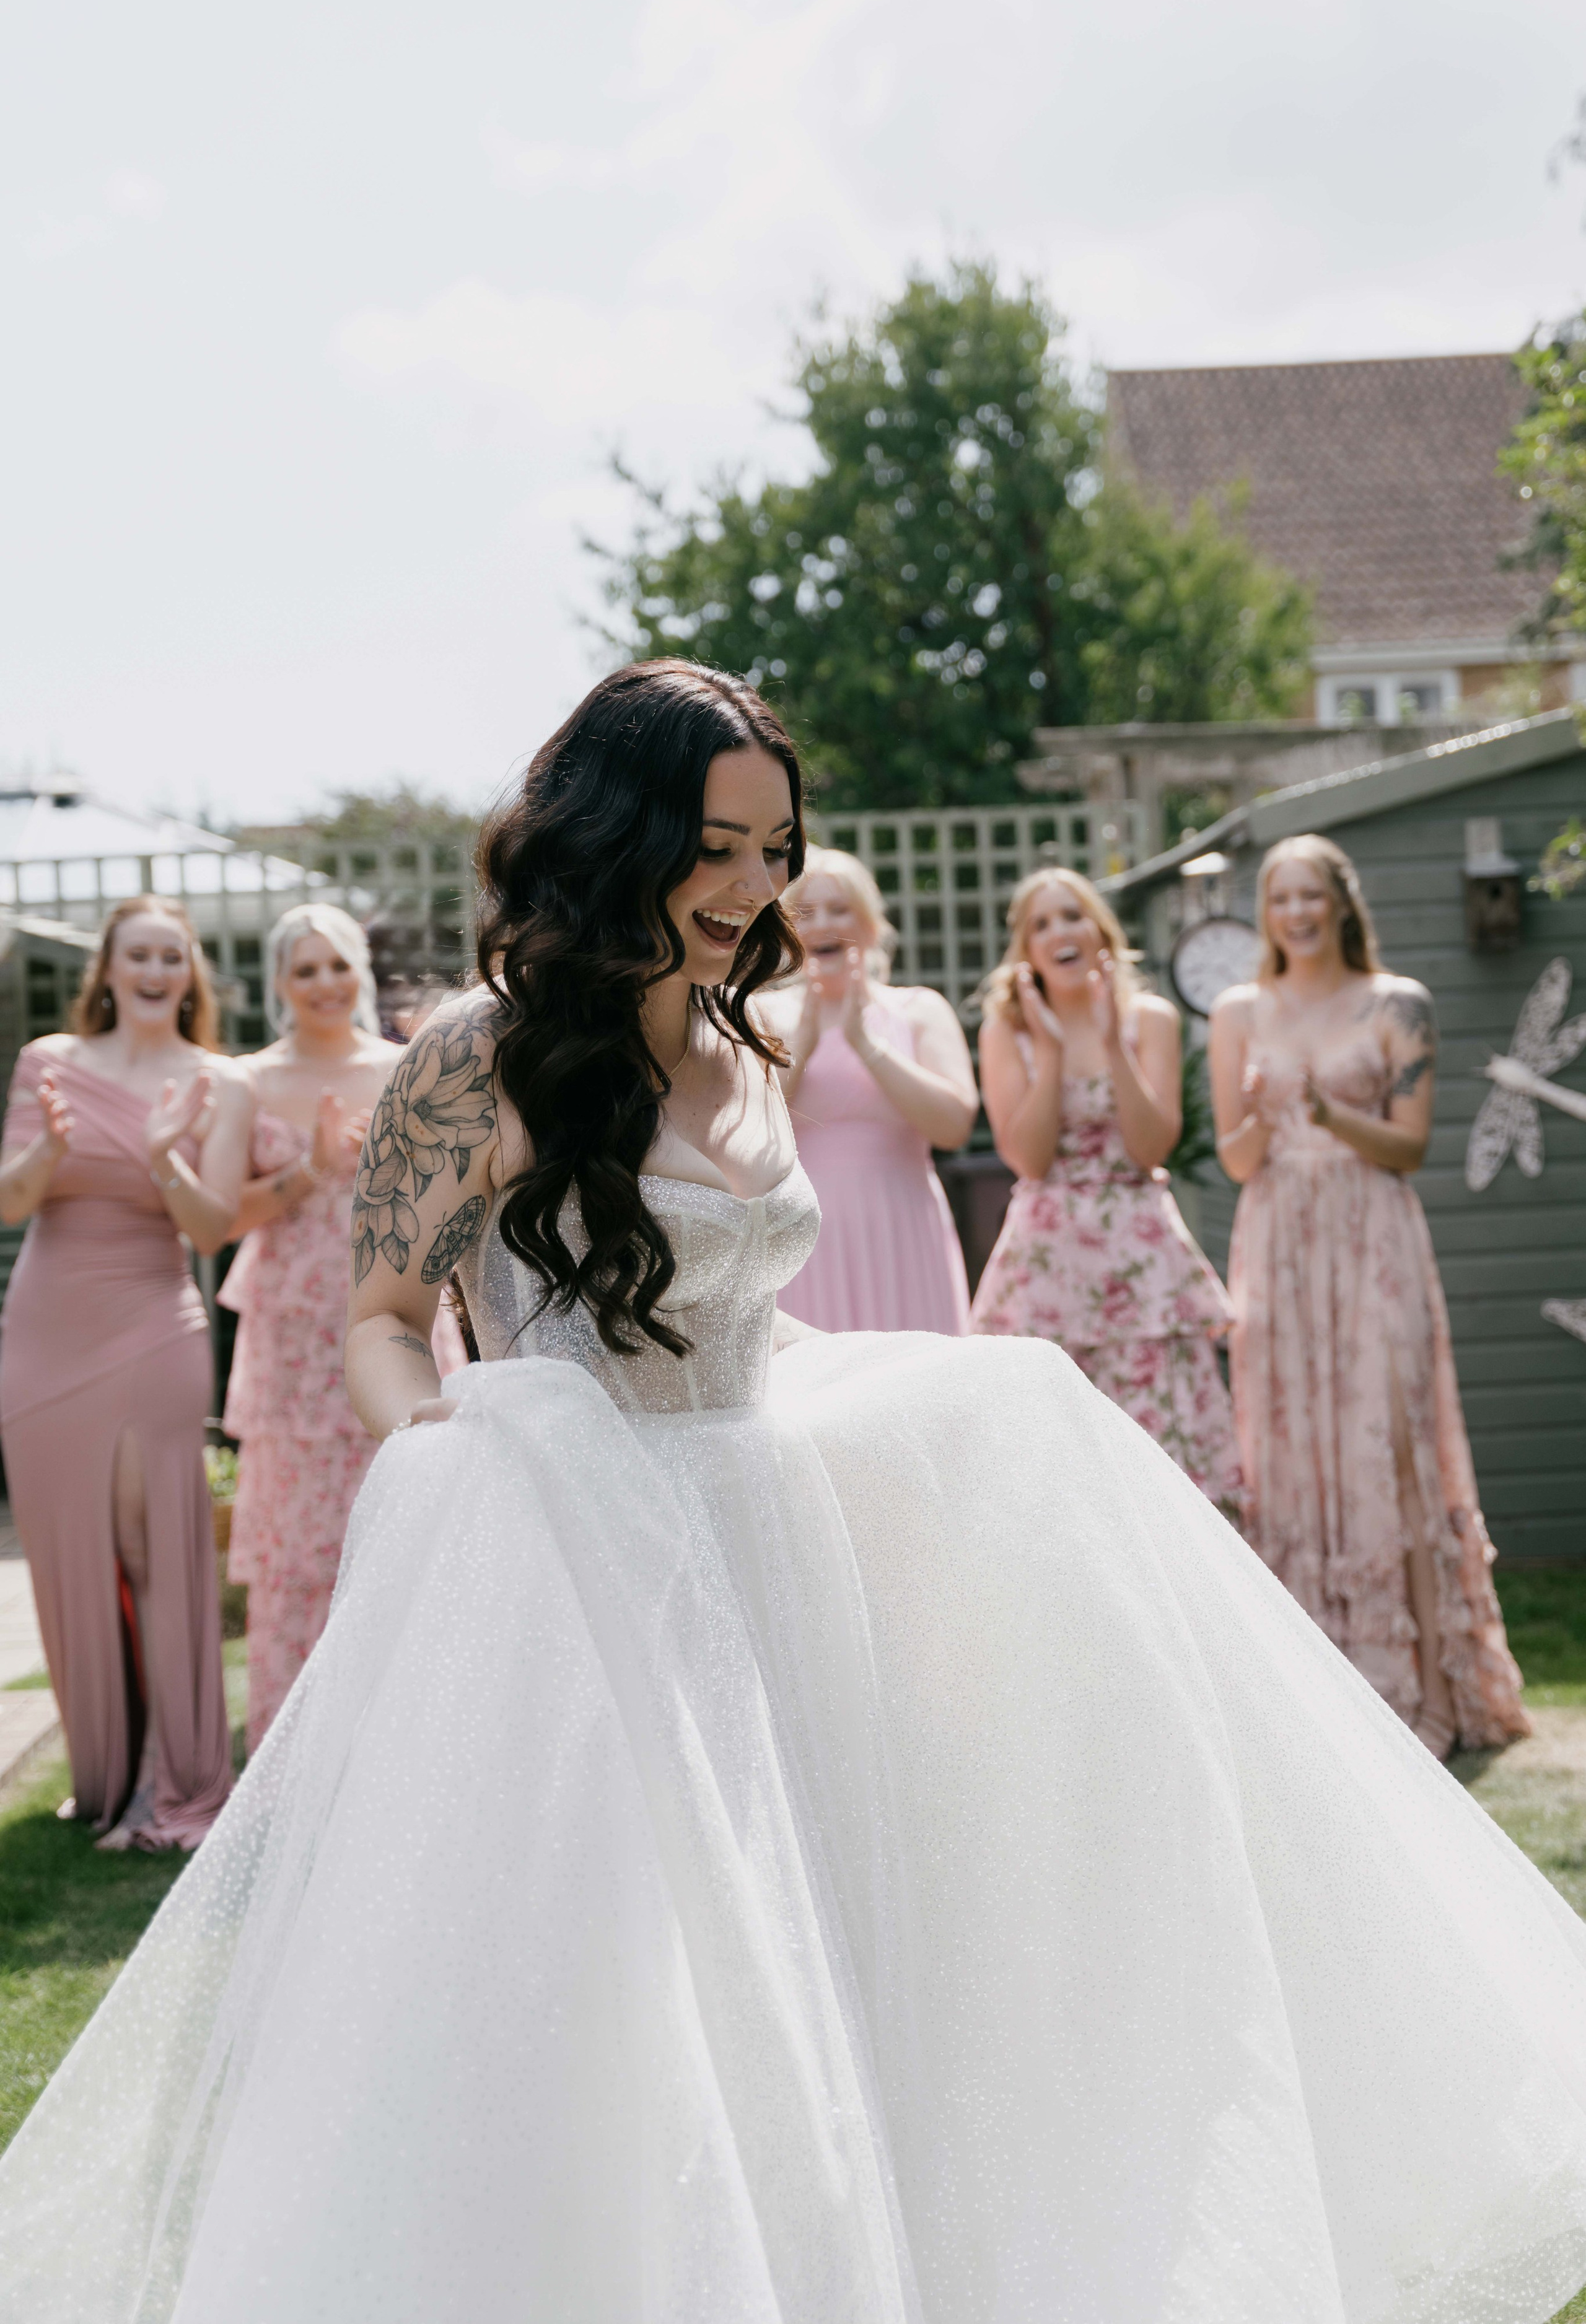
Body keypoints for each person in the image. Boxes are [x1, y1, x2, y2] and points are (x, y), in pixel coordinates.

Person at [4, 664, 1586, 2324]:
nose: (755, 886)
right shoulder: (477, 1056)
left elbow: (740, 1321)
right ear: (616, 834)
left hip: (774, 1558)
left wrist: (938, 1403)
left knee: (847, 1981)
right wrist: (468, 1455)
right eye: (718, 846)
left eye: (777, 849)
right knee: (620, 2010)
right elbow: (385, 1324)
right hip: (578, 1566)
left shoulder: (745, 1045)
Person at [1209, 832, 1530, 1759]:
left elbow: (1410, 1148)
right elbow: (1235, 1161)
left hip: (1373, 1236)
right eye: (1280, 899)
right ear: (1266, 915)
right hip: (1278, 1238)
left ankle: (1426, 1688)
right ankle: (1309, 1695)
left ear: (1342, 904)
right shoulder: (1238, 1010)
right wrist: (1262, 1114)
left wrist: (1327, 1113)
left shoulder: (1399, 1003)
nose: (1296, 914)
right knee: (1288, 1447)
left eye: (1311, 896)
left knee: (1389, 1440)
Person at [0, 897, 248, 1851]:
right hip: (44, 1330)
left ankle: (166, 1780)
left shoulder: (219, 1082)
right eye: (136, 955)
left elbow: (212, 1229)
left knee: (151, 1545)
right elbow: (12, 1201)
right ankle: (102, 1774)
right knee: (69, 1547)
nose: (153, 971)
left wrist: (160, 1160)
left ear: (189, 974)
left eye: (170, 956)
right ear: (106, 969)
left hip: (152, 1322)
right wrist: (47, 1150)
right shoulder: (48, 1061)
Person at [219, 904, 468, 1753]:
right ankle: (297, 1758)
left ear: (360, 972)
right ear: (279, 982)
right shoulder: (246, 1081)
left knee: (411, 1521)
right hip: (294, 1341)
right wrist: (312, 1168)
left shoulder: (407, 1066)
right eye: (305, 969)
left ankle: (418, 1747)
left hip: (400, 1319)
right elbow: (220, 1221)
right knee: (301, 1551)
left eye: (338, 965)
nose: (324, 983)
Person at [971, 870, 1242, 1511]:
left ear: (1100, 931)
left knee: (1163, 1449)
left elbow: (1151, 1148)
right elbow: (1030, 1159)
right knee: (1060, 1458)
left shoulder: (1150, 1018)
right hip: (1047, 1262)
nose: (1059, 932)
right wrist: (1051, 1051)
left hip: (1141, 1257)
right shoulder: (1006, 1029)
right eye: (1040, 924)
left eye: (1072, 915)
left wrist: (1113, 1040)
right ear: (1026, 949)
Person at [760, 847, 975, 1333]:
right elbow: (747, 1130)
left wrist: (867, 1046)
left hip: (902, 1226)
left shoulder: (920, 1010)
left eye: (840, 909)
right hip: (801, 1236)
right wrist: (804, 1045)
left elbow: (953, 1126)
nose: (824, 924)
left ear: (871, 926)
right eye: (807, 912)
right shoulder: (761, 1013)